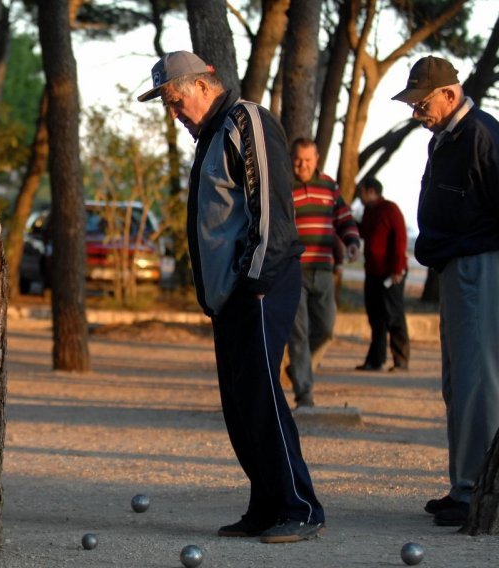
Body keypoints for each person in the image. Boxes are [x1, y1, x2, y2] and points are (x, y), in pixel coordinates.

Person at [138, 51, 325, 543]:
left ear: (202, 86)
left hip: (260, 287)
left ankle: (301, 508)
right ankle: (266, 506)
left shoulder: (247, 120)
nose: (173, 114)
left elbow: (270, 212)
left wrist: (251, 284)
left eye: (176, 101)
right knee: (241, 405)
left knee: (262, 398)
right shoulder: (210, 136)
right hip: (232, 297)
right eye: (168, 106)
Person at [392, 55, 499, 527]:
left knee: (478, 379)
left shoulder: (480, 134)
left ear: (450, 95)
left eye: (422, 103)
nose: (417, 112)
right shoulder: (447, 138)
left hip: (481, 263)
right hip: (457, 266)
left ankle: (477, 492)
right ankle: (464, 485)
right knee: (458, 382)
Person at [287, 139, 360, 408]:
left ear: (317, 159)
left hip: (323, 270)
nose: (302, 165)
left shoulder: (329, 186)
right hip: (293, 271)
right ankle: (304, 395)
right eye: (298, 160)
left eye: (308, 160)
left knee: (326, 329)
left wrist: (352, 242)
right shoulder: (282, 186)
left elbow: (344, 218)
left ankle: (298, 370)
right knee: (299, 333)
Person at [355, 177, 410, 372]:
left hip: (391, 274)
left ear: (371, 191)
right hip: (373, 272)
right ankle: (375, 360)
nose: (359, 196)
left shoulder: (390, 209)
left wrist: (397, 270)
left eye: (361, 192)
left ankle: (401, 360)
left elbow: (400, 240)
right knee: (375, 317)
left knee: (394, 315)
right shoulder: (370, 212)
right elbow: (364, 233)